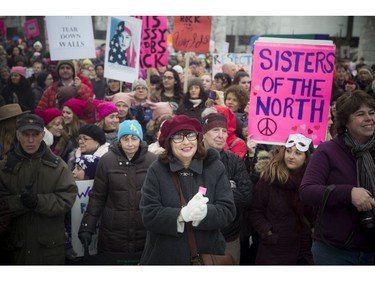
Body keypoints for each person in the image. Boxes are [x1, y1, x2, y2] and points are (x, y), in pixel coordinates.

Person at [139, 114, 236, 265]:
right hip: (165, 258)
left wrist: (206, 213)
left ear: (198, 139)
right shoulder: (157, 169)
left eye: (190, 135)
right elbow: (148, 214)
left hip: (206, 256)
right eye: (178, 137)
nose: (186, 142)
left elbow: (228, 210)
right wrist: (180, 215)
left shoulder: (214, 167)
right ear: (169, 142)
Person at [300, 90, 375, 265]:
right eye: (360, 114)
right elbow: (307, 191)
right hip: (335, 252)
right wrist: (348, 193)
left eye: (372, 113)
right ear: (346, 121)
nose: (369, 118)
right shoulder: (328, 151)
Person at [0, 113, 77, 264]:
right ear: (17, 134)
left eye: (35, 134)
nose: (30, 140)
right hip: (15, 249)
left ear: (42, 135)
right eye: (25, 134)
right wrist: (21, 202)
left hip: (49, 249)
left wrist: (38, 202)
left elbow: (67, 197)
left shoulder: (58, 165)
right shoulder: (4, 167)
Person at [78, 120, 156, 264]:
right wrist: (87, 226)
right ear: (119, 140)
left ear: (140, 139)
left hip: (144, 232)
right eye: (126, 139)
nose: (130, 143)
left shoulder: (152, 161)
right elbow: (97, 197)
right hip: (113, 234)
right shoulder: (107, 161)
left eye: (134, 138)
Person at [249, 133, 315, 265]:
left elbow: (315, 214)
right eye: (288, 151)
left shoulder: (312, 182)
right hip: (273, 249)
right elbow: (255, 211)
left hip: (302, 249)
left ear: (306, 158)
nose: (291, 156)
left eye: (297, 153)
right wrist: (268, 232)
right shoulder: (269, 178)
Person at [201, 112, 253, 265]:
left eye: (224, 131)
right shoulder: (193, 158)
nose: (220, 135)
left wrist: (210, 193)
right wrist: (228, 189)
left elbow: (245, 195)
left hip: (229, 236)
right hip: (199, 235)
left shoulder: (234, 160)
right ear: (203, 134)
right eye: (215, 130)